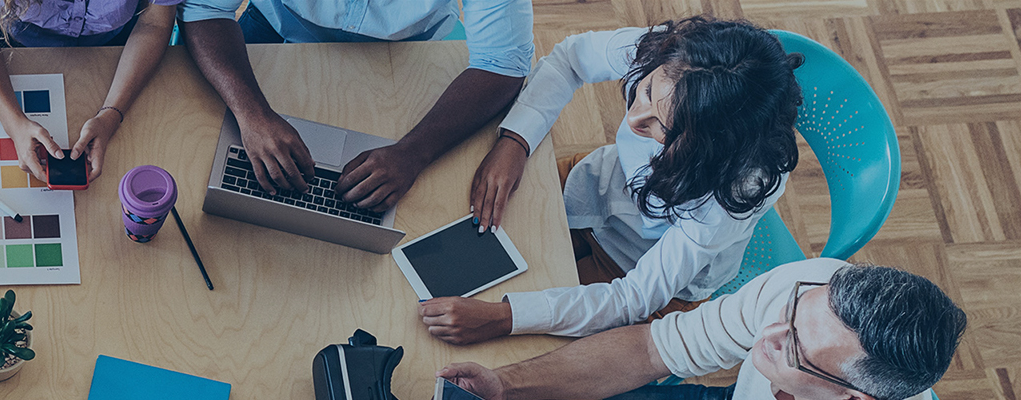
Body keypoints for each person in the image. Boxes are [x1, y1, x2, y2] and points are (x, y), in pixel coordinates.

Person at [419, 17, 803, 345]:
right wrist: (515, 140)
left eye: (663, 128)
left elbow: (632, 297)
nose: (635, 122)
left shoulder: (729, 198)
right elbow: (570, 59)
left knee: (522, 335)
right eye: (646, 92)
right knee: (448, 214)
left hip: (635, 268)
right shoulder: (677, 54)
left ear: (710, 148)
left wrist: (506, 317)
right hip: (592, 186)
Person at [437, 258, 967, 400]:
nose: (768, 332)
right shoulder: (808, 287)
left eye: (794, 347)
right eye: (794, 310)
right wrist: (508, 386)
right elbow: (651, 348)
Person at [177, 0, 533, 205]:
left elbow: (503, 62)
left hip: (410, 50)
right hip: (276, 26)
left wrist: (414, 152)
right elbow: (205, 8)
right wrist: (251, 114)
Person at [0, 0, 177, 182]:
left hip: (118, 53)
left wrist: (111, 115)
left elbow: (154, 22)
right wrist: (12, 121)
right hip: (10, 49)